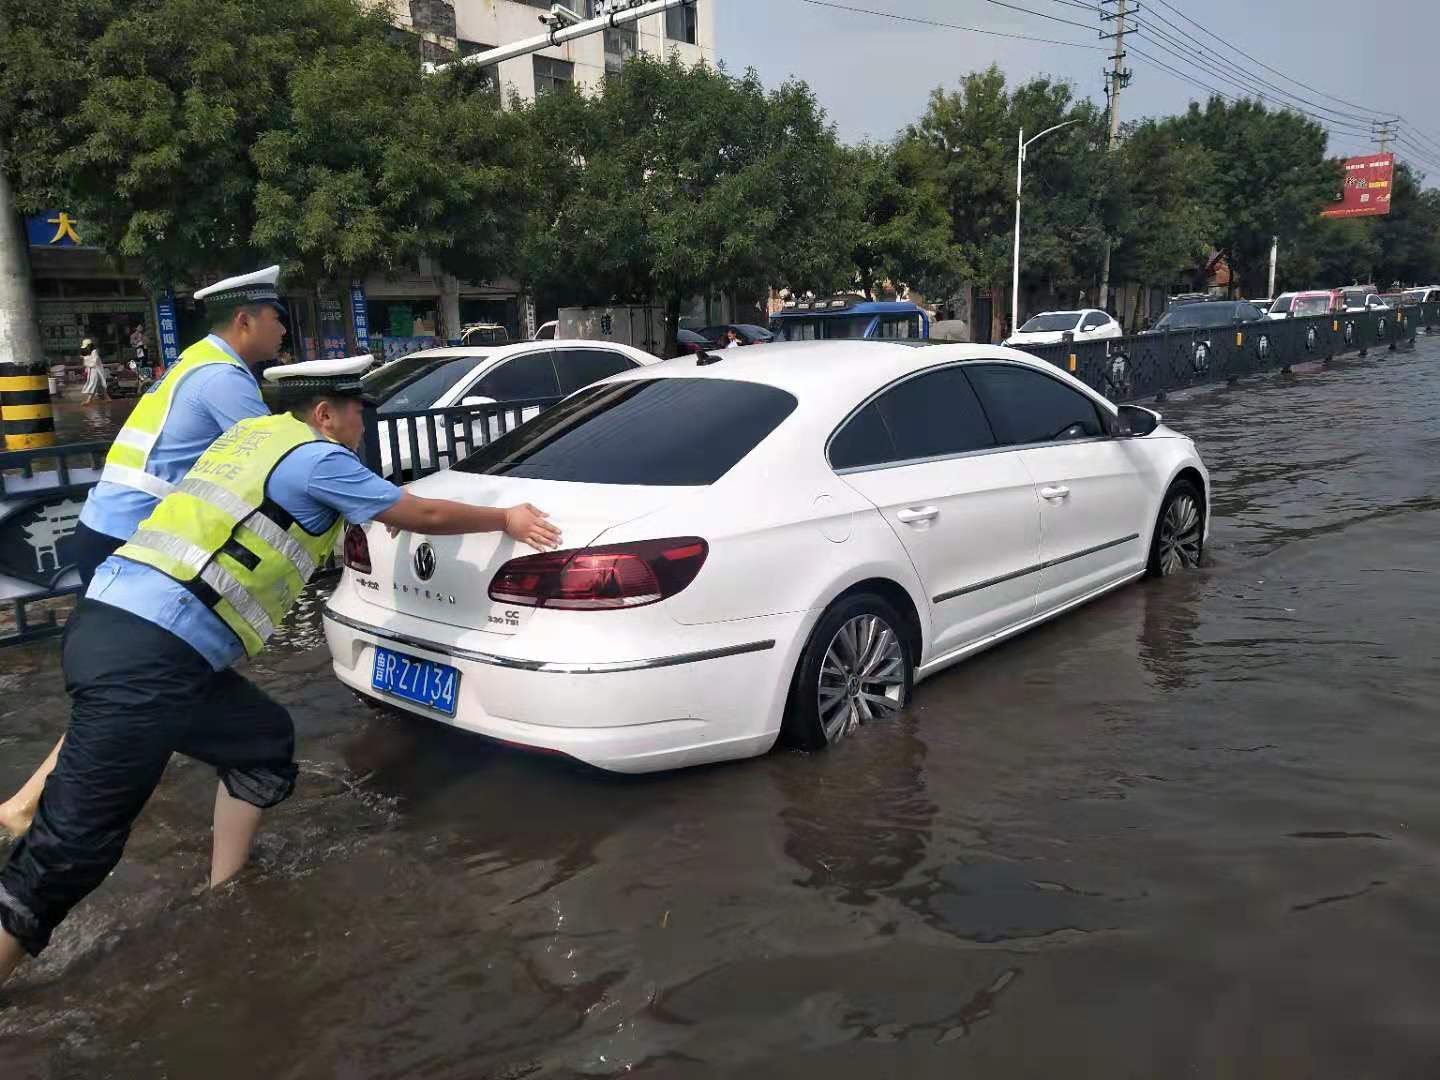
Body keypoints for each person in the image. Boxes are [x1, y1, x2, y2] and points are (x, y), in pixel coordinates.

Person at [0, 356, 562, 987]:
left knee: (262, 742)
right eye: (358, 413)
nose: (364, 426)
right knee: (71, 851)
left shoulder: (253, 437)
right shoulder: (318, 458)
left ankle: (225, 888)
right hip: (152, 652)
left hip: (122, 626)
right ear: (325, 413)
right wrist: (507, 519)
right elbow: (419, 515)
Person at [0, 267, 286, 842]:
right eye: (277, 317)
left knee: (127, 678)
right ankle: (42, 805)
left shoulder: (192, 365)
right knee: (138, 683)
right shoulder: (225, 380)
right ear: (245, 320)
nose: (284, 328)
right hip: (135, 544)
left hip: (110, 532)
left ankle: (29, 801)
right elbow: (275, 464)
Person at [78, 339, 108, 405]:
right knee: (100, 385)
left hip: (96, 371)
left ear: (89, 346)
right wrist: (85, 358)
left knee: (93, 384)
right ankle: (108, 398)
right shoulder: (90, 352)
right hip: (93, 370)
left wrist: (85, 358)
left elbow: (94, 362)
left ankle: (89, 400)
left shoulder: (94, 351)